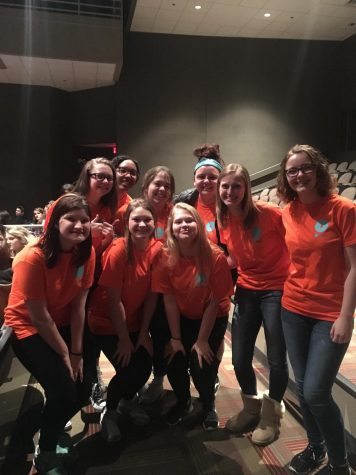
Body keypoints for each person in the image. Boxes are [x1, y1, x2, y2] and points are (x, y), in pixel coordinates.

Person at [276, 145, 356, 475]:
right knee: (304, 389)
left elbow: (355, 267)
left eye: (305, 168)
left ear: (318, 169)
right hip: (293, 308)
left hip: (329, 314)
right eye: (292, 170)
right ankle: (314, 447)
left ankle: (340, 465)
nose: (299, 175)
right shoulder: (287, 210)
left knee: (316, 391)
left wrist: (345, 316)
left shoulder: (344, 209)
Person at [4, 194, 95, 474]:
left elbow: (79, 306)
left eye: (84, 220)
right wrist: (66, 354)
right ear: (55, 223)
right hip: (27, 326)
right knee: (63, 389)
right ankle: (45, 447)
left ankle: (45, 429)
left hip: (63, 322)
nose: (79, 225)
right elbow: (39, 316)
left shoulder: (86, 253)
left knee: (82, 389)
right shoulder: (31, 256)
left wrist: (78, 352)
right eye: (71, 219)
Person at [216, 163, 289, 445]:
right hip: (246, 289)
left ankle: (272, 413)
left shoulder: (270, 214)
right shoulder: (223, 219)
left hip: (277, 290)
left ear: (246, 187)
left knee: (275, 358)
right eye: (225, 186)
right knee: (239, 358)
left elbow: (298, 245)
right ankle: (251, 408)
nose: (230, 191)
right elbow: (235, 256)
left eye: (236, 186)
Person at [152, 203, 233, 430]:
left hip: (211, 318)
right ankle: (183, 401)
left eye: (189, 220)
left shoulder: (214, 256)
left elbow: (214, 302)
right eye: (178, 221)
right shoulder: (165, 255)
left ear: (197, 223)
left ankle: (208, 404)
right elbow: (168, 299)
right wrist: (176, 339)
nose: (184, 225)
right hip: (182, 316)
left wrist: (202, 340)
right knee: (173, 359)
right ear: (171, 227)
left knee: (201, 366)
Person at [87, 199, 162, 442]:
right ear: (127, 223)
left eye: (147, 220)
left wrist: (142, 334)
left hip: (133, 323)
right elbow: (112, 300)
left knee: (144, 367)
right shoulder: (118, 250)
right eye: (136, 219)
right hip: (106, 323)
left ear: (155, 222)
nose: (142, 224)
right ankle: (110, 414)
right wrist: (123, 339)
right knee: (128, 368)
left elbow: (152, 296)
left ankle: (128, 403)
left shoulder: (157, 249)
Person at [139, 166, 175, 404]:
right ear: (145, 188)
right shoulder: (134, 212)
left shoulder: (175, 214)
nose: (161, 189)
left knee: (162, 334)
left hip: (167, 288)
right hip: (138, 286)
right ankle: (136, 379)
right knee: (138, 334)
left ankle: (159, 378)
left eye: (166, 185)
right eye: (157, 184)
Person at [112, 155, 140, 236]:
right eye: (123, 170)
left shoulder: (130, 207)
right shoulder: (97, 198)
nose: (128, 176)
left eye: (132, 173)